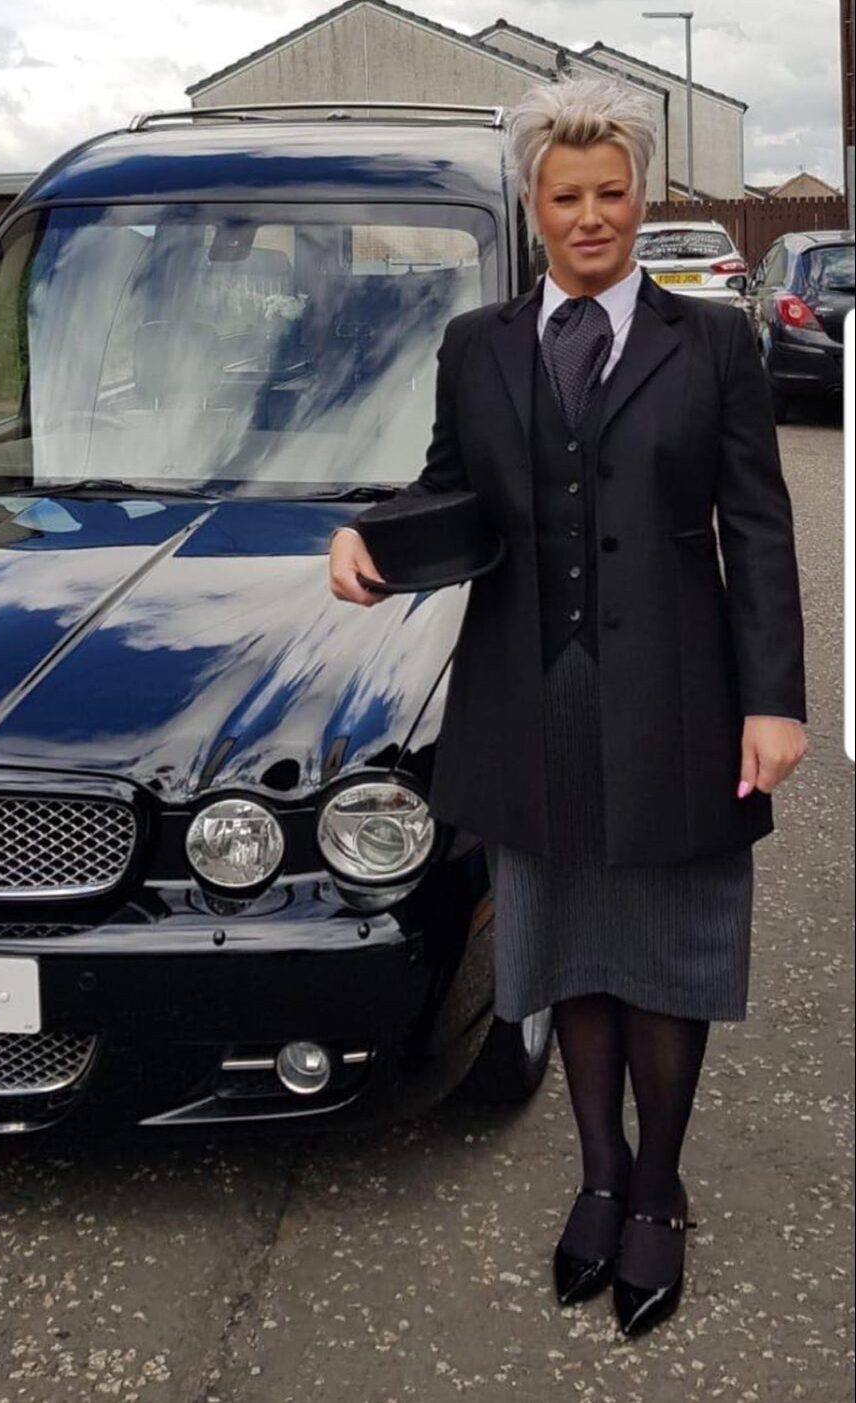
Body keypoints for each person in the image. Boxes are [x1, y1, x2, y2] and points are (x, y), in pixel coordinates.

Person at [327, 75, 808, 1337]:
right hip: (529, 691)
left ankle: (659, 1189)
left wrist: (776, 700)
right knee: (571, 953)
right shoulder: (476, 346)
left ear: (640, 198)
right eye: (566, 198)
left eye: (612, 193)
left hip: (682, 701)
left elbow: (757, 524)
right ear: (534, 209)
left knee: (667, 953)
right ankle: (598, 1176)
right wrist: (376, 546)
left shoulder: (712, 342)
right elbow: (450, 493)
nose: (591, 216)